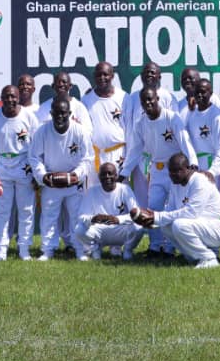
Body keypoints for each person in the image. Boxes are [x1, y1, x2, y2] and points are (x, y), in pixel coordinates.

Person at [119, 86, 197, 257]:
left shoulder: (171, 117)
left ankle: (170, 248)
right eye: (144, 101)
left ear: (157, 99)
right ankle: (155, 246)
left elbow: (185, 140)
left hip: (176, 171)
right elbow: (135, 150)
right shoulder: (141, 123)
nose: (148, 103)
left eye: (150, 99)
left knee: (172, 208)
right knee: (153, 207)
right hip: (157, 170)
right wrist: (124, 172)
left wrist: (193, 163)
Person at [131, 153, 220, 270]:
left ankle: (209, 258)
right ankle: (193, 256)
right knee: (166, 226)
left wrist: (157, 217)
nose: (173, 175)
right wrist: (153, 222)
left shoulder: (200, 181)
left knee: (179, 225)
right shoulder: (175, 184)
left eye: (177, 171)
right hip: (203, 225)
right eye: (170, 171)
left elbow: (191, 213)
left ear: (187, 168)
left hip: (219, 227)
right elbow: (170, 211)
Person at [0, 84, 40, 260]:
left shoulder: (29, 117)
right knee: (2, 211)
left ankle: (24, 249)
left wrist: (37, 173)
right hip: (2, 168)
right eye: (6, 96)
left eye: (13, 96)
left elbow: (38, 147)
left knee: (26, 210)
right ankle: (1, 249)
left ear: (19, 97)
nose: (10, 100)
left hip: (25, 167)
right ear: (1, 98)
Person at [29, 96, 93, 260]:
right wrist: (43, 176)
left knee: (77, 217)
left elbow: (87, 158)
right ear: (51, 113)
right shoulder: (42, 131)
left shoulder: (80, 131)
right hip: (51, 182)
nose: (60, 116)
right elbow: (34, 158)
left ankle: (80, 250)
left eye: (63, 113)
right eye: (56, 113)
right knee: (49, 218)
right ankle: (48, 250)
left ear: (70, 113)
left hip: (74, 183)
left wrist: (75, 176)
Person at [120, 62, 175, 209]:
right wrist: (129, 156)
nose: (149, 75)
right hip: (140, 156)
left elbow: (174, 126)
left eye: (153, 72)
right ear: (141, 76)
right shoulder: (132, 98)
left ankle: (163, 222)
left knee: (165, 198)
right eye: (146, 72)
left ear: (159, 76)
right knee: (141, 196)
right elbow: (129, 127)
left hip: (162, 159)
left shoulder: (168, 97)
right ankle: (144, 221)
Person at [72, 162, 141, 260]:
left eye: (110, 173)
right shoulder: (92, 191)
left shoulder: (125, 189)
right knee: (79, 229)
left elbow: (137, 214)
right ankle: (95, 249)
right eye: (103, 174)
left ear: (116, 175)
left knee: (139, 227)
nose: (107, 176)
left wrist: (118, 219)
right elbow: (81, 216)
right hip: (99, 229)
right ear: (99, 177)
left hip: (119, 229)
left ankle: (127, 250)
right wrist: (93, 218)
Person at [81, 61, 128, 173]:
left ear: (112, 76)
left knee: (118, 184)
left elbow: (130, 129)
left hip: (119, 154)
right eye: (98, 75)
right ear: (94, 76)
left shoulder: (124, 97)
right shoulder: (86, 99)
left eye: (105, 74)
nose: (102, 78)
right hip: (95, 155)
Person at [186, 79, 220, 193]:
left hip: (210, 167)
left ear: (211, 93)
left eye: (203, 92)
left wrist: (212, 171)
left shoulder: (216, 116)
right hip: (194, 167)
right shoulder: (192, 114)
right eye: (197, 92)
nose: (199, 95)